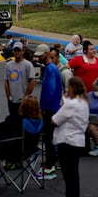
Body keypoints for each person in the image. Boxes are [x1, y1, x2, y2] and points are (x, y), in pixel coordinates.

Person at [52, 77, 89, 197]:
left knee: (69, 176)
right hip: (77, 141)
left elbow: (55, 120)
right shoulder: (83, 102)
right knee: (72, 175)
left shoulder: (71, 104)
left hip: (67, 141)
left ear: (73, 88)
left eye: (69, 87)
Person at [37, 44, 62, 180]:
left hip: (50, 109)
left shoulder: (50, 69)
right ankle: (50, 163)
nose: (39, 57)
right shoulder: (50, 68)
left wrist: (44, 108)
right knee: (49, 137)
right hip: (51, 107)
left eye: (41, 55)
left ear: (46, 54)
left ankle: (50, 165)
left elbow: (50, 90)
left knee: (49, 137)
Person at [4, 42, 35, 118]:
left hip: (23, 100)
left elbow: (32, 82)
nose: (17, 52)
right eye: (15, 50)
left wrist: (26, 97)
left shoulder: (28, 65)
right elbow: (6, 81)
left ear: (23, 51)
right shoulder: (8, 65)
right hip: (12, 100)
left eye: (18, 50)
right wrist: (8, 97)